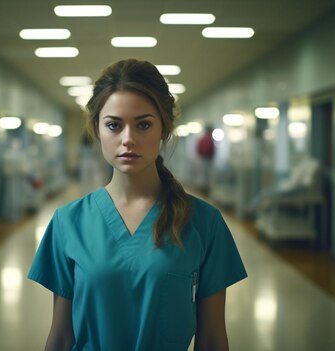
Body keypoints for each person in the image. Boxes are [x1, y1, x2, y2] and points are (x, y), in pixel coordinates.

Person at [28, 59, 247, 351]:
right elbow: (60, 337)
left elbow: (212, 339)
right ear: (97, 129)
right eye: (114, 125)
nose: (128, 139)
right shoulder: (69, 222)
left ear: (164, 130)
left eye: (143, 124)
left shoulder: (204, 223)